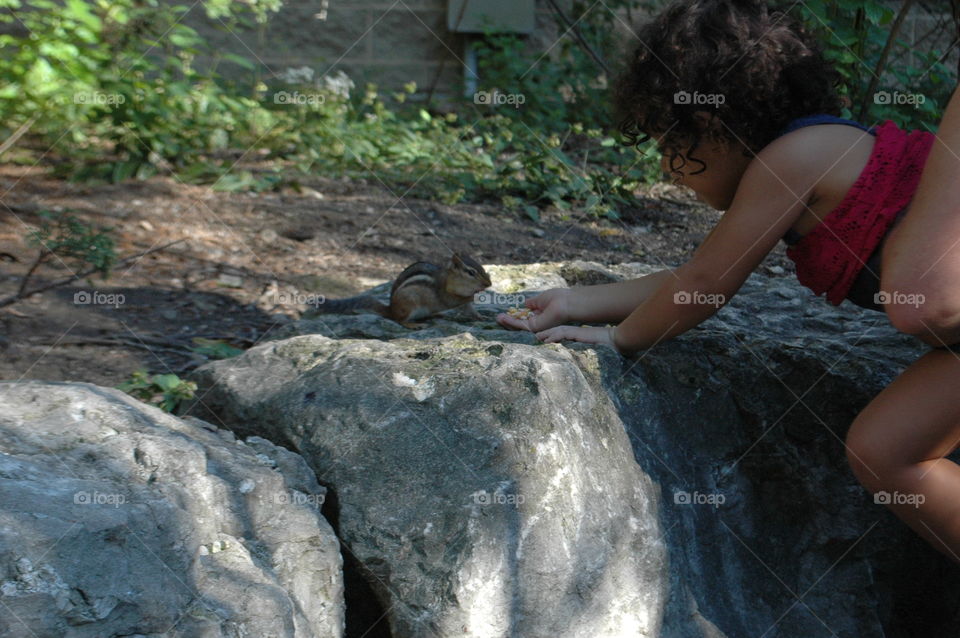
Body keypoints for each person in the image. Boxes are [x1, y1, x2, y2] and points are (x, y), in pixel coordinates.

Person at [496, 0, 960, 562]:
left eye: (670, 146)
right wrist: (574, 302)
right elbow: (694, 277)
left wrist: (620, 339)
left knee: (889, 452)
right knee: (884, 449)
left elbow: (706, 283)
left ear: (711, 125)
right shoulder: (801, 157)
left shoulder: (795, 159)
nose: (666, 169)